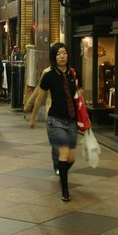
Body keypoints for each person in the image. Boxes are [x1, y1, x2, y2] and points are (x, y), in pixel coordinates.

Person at [28, 42, 80, 202]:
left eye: (64, 53)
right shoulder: (49, 75)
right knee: (64, 153)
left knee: (71, 158)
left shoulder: (73, 73)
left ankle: (61, 169)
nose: (62, 56)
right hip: (55, 120)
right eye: (58, 54)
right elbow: (40, 97)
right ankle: (65, 190)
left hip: (71, 120)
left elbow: (79, 95)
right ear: (53, 57)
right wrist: (32, 116)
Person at [24, 65, 59, 175]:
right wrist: (29, 105)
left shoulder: (69, 72)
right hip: (52, 111)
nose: (62, 57)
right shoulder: (47, 72)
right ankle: (58, 165)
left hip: (67, 113)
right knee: (56, 141)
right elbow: (39, 90)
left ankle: (62, 163)